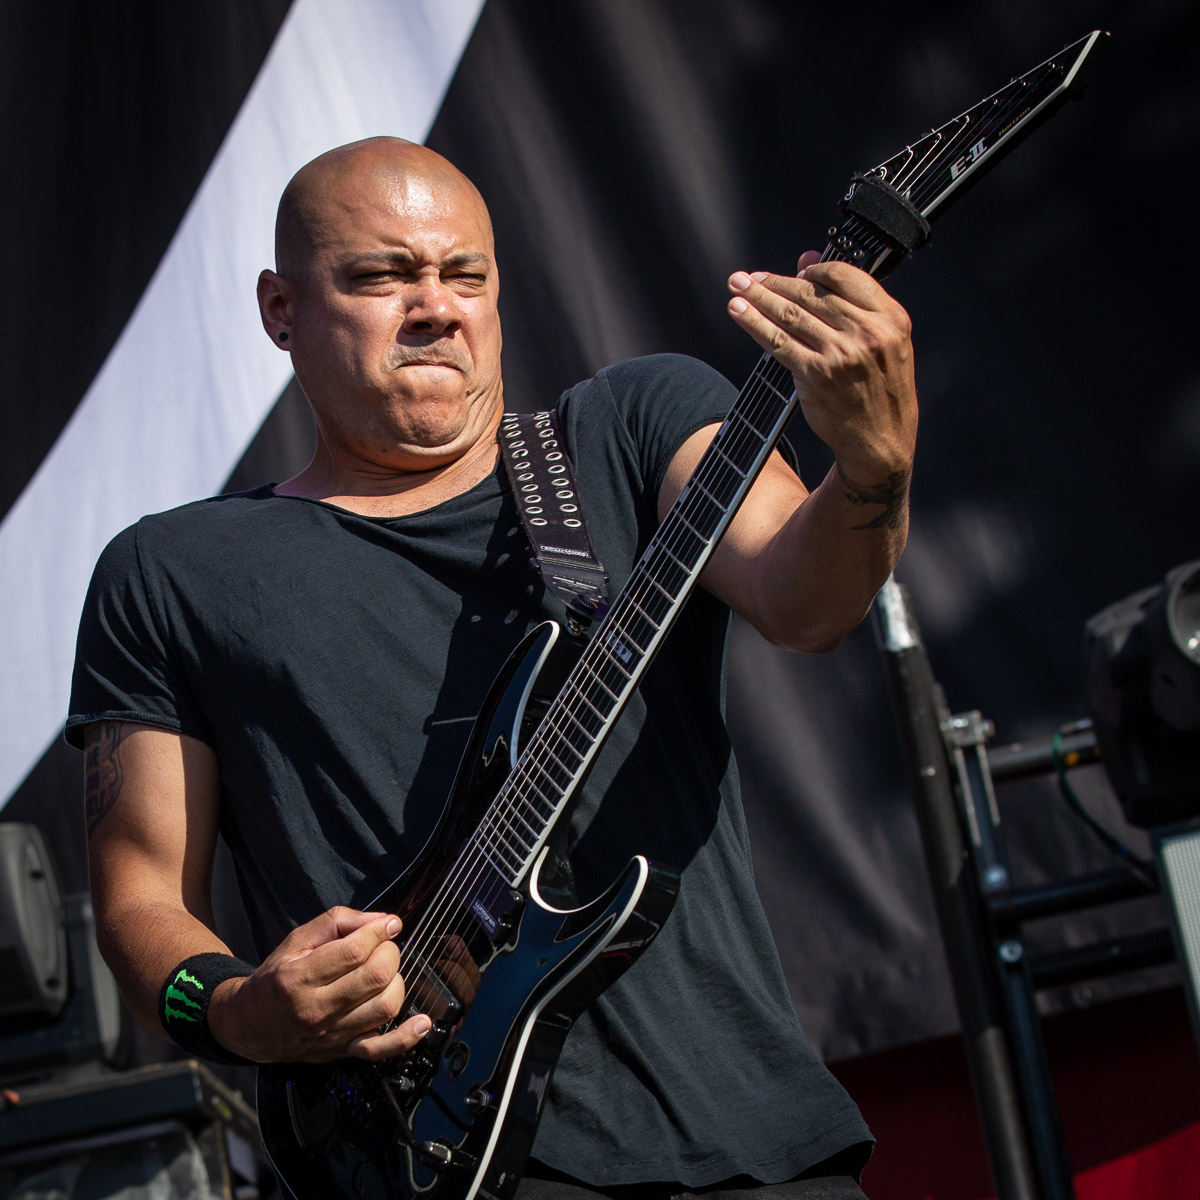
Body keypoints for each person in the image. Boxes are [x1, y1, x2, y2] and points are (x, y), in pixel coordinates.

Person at [68, 137, 917, 1198]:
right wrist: (244, 1010)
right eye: (383, 276)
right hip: (424, 1154)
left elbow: (807, 598)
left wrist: (874, 471)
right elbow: (140, 898)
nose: (436, 306)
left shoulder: (629, 430)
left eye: (463, 273)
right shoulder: (169, 572)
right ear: (281, 309)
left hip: (746, 1146)